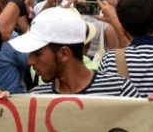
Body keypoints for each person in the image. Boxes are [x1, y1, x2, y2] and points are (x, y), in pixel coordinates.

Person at [11, 7, 141, 97]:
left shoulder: (119, 90)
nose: (30, 61)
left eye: (37, 53)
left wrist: (150, 112)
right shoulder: (37, 98)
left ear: (64, 54)